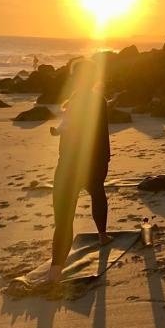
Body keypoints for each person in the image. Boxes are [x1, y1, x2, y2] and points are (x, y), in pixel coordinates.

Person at [44, 60, 112, 283]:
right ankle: (101, 237)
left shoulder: (82, 102)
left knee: (64, 217)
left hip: (76, 163)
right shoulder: (90, 101)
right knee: (95, 194)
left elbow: (88, 130)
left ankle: (55, 270)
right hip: (86, 162)